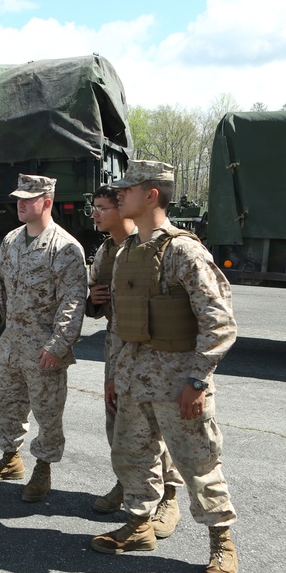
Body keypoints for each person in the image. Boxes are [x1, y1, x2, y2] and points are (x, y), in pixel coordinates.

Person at [89, 160, 239, 573]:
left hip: (178, 387)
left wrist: (197, 381)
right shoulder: (128, 251)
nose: (118, 198)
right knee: (132, 457)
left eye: (126, 190)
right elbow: (122, 322)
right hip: (134, 381)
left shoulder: (184, 251)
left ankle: (222, 545)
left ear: (151, 194)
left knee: (199, 467)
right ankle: (138, 526)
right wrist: (116, 374)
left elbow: (220, 323)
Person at [0, 174, 87, 502]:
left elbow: (73, 301)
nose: (21, 203)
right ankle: (11, 459)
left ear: (47, 202)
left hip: (44, 347)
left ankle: (43, 468)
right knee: (7, 405)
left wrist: (59, 345)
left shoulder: (64, 247)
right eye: (19, 198)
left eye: (29, 198)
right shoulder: (11, 240)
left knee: (47, 411)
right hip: (11, 343)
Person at [86, 184, 184, 540]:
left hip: (158, 350)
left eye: (102, 207)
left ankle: (168, 497)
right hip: (119, 345)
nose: (95, 214)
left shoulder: (154, 246)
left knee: (160, 424)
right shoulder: (109, 249)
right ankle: (129, 485)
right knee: (121, 422)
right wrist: (92, 299)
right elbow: (97, 300)